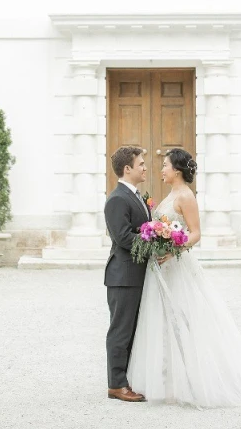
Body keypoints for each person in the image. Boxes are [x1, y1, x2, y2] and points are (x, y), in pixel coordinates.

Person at [127, 147, 241, 408]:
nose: (161, 170)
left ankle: (197, 379)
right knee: (164, 320)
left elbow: (196, 233)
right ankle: (169, 379)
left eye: (165, 165)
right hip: (162, 266)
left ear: (176, 170)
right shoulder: (172, 193)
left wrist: (173, 248)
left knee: (186, 320)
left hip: (176, 266)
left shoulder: (186, 196)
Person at [104, 145, 151, 403]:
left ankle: (127, 378)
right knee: (120, 331)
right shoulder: (117, 199)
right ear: (127, 168)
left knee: (133, 330)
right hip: (123, 276)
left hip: (136, 274)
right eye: (141, 163)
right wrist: (154, 244)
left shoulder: (135, 196)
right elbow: (122, 237)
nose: (145, 167)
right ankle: (116, 385)